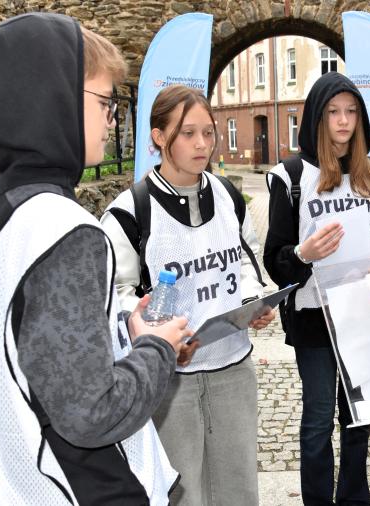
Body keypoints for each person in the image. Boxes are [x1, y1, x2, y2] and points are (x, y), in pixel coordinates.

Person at [0, 13, 192, 504]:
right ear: (51, 102)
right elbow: (91, 413)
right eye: (105, 102)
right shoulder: (62, 228)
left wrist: (125, 333)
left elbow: (33, 356)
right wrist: (158, 348)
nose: (113, 118)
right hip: (89, 489)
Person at [101, 84, 274, 505]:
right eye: (188, 133)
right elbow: (115, 298)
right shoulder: (128, 213)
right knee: (183, 494)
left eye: (209, 133)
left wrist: (254, 304)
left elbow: (246, 264)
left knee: (238, 490)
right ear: (159, 137)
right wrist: (146, 332)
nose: (203, 144)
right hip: (168, 383)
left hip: (233, 367)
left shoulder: (229, 196)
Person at [264, 71, 370, 506]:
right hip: (314, 319)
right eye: (333, 112)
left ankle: (353, 500)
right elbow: (275, 260)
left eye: (351, 112)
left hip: (364, 315)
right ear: (317, 117)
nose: (343, 121)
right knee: (317, 422)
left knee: (359, 419)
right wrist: (304, 253)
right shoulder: (290, 177)